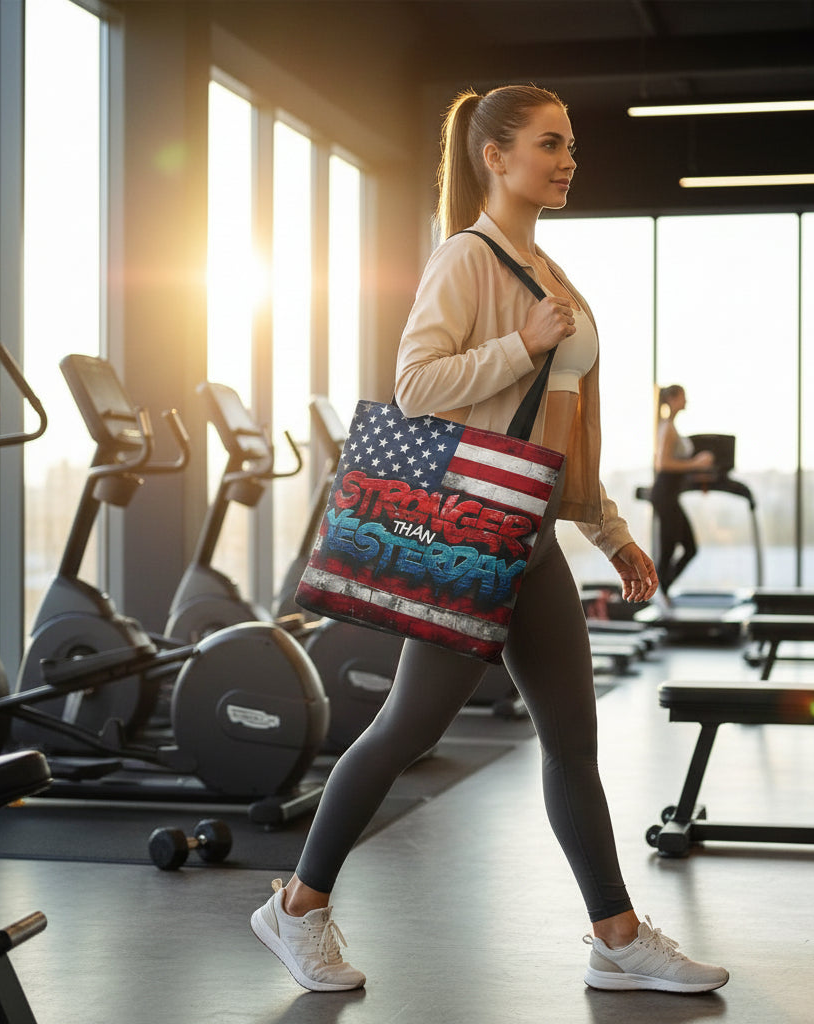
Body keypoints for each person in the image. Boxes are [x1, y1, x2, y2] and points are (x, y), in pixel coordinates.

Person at [250, 84, 729, 997]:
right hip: (470, 535)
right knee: (407, 728)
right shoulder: (466, 261)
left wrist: (610, 530)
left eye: (571, 145)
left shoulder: (554, 275)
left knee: (572, 741)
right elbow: (418, 385)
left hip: (532, 535)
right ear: (494, 157)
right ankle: (297, 907)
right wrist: (518, 342)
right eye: (549, 143)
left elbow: (564, 431)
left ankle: (616, 937)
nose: (567, 159)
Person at [651, 384, 714, 602]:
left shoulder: (671, 427)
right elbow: (663, 464)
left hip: (670, 495)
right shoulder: (667, 428)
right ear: (675, 399)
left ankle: (663, 591)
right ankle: (660, 594)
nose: (686, 401)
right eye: (684, 397)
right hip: (664, 495)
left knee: (688, 548)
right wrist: (696, 463)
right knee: (671, 548)